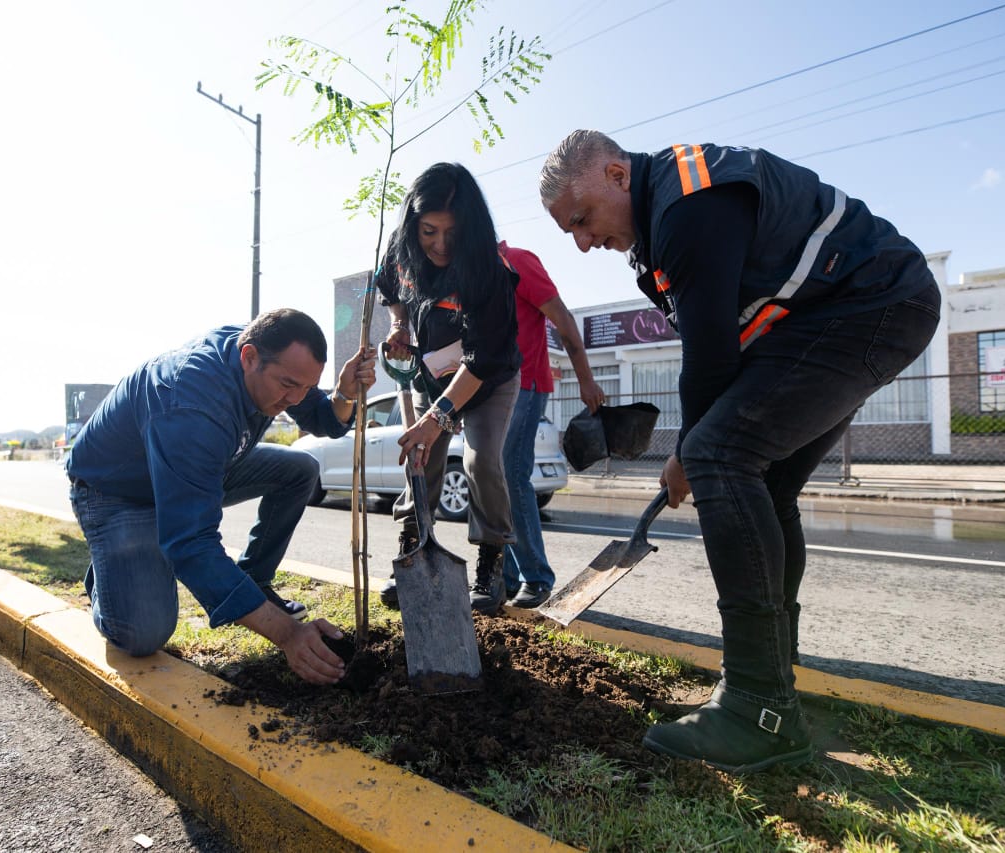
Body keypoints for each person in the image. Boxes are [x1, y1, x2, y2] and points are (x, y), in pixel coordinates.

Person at [540, 131, 941, 773]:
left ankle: (758, 707)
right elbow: (728, 338)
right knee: (765, 482)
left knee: (721, 458)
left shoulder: (687, 204)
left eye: (583, 220)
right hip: (835, 316)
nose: (585, 242)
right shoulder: (655, 236)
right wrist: (701, 444)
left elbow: (710, 359)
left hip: (871, 304)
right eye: (572, 234)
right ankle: (771, 679)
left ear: (617, 175)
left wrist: (690, 453)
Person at [66, 309, 377, 685]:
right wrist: (287, 633)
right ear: (249, 357)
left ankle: (253, 580)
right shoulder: (192, 404)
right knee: (142, 634)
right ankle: (111, 570)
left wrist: (344, 391)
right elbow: (190, 544)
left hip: (199, 466)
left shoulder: (268, 357)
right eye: (287, 385)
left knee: (301, 470)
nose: (295, 400)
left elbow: (326, 419)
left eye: (305, 388)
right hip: (119, 492)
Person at [374, 162, 522, 614]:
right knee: (421, 459)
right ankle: (412, 552)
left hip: (487, 380)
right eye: (429, 231)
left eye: (452, 233)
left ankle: (490, 567)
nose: (440, 244)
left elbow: (481, 361)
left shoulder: (489, 273)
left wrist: (438, 418)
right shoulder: (401, 253)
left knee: (480, 462)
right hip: (430, 374)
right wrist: (400, 326)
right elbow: (391, 292)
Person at [498, 241, 602, 608]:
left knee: (512, 475)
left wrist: (586, 380)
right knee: (495, 482)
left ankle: (536, 577)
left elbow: (563, 319)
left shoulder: (519, 262)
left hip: (526, 385)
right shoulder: (471, 276)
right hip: (492, 393)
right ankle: (506, 577)